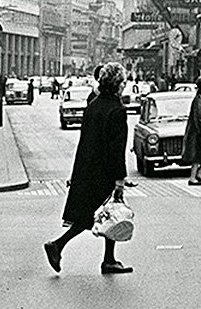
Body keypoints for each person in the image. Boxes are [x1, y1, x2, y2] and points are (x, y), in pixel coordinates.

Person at [43, 62, 132, 275]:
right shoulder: (117, 110)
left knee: (108, 213)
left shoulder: (94, 104)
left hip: (87, 168)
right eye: (123, 82)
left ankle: (108, 259)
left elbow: (85, 141)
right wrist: (119, 180)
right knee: (100, 215)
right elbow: (116, 150)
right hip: (104, 173)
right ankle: (57, 245)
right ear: (118, 84)